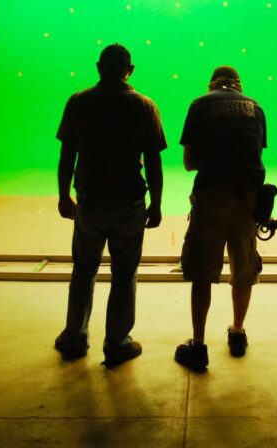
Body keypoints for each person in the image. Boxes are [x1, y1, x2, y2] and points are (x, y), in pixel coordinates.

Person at [54, 43, 165, 367]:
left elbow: (67, 154)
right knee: (125, 273)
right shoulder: (144, 105)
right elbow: (153, 161)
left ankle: (75, 338)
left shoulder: (78, 101)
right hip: (129, 202)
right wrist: (156, 203)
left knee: (84, 270)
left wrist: (63, 194)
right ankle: (117, 343)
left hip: (90, 201)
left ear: (99, 67)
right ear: (130, 70)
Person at [174, 66, 266, 372]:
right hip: (246, 200)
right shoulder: (256, 107)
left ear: (211, 83)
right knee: (244, 270)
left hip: (211, 197)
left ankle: (198, 345)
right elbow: (255, 156)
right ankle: (238, 332)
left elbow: (190, 163)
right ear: (239, 85)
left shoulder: (200, 105)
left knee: (203, 272)